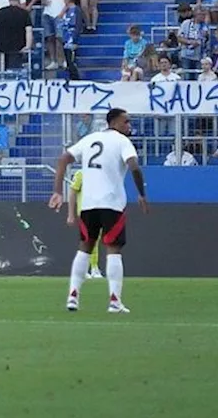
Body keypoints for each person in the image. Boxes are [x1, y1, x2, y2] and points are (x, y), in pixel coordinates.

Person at [49, 107, 149, 314]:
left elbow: (62, 160)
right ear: (114, 123)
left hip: (88, 205)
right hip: (112, 203)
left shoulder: (89, 139)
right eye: (126, 122)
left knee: (84, 247)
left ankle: (73, 296)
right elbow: (135, 167)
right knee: (113, 250)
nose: (129, 126)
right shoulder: (123, 142)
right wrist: (141, 194)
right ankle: (114, 301)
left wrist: (58, 191)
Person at [66, 169, 102, 280]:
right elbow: (72, 192)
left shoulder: (102, 174)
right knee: (88, 241)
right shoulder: (81, 173)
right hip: (85, 211)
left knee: (95, 241)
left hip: (100, 210)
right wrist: (71, 214)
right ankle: (92, 268)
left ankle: (89, 268)